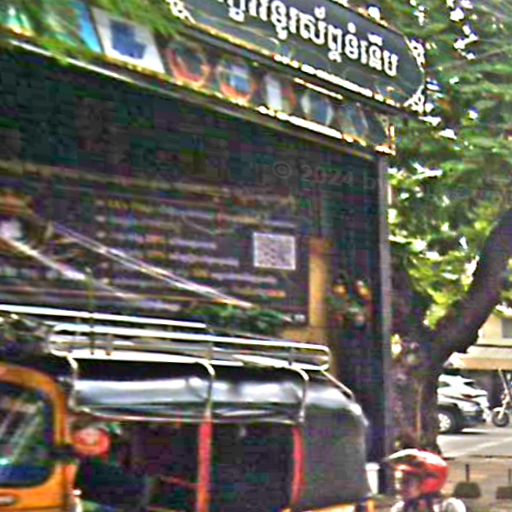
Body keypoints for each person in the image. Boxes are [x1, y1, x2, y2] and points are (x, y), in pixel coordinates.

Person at [386, 449, 466, 512]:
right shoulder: (400, 508)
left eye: (406, 482)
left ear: (428, 482)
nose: (400, 487)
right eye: (399, 482)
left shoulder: (449, 507)